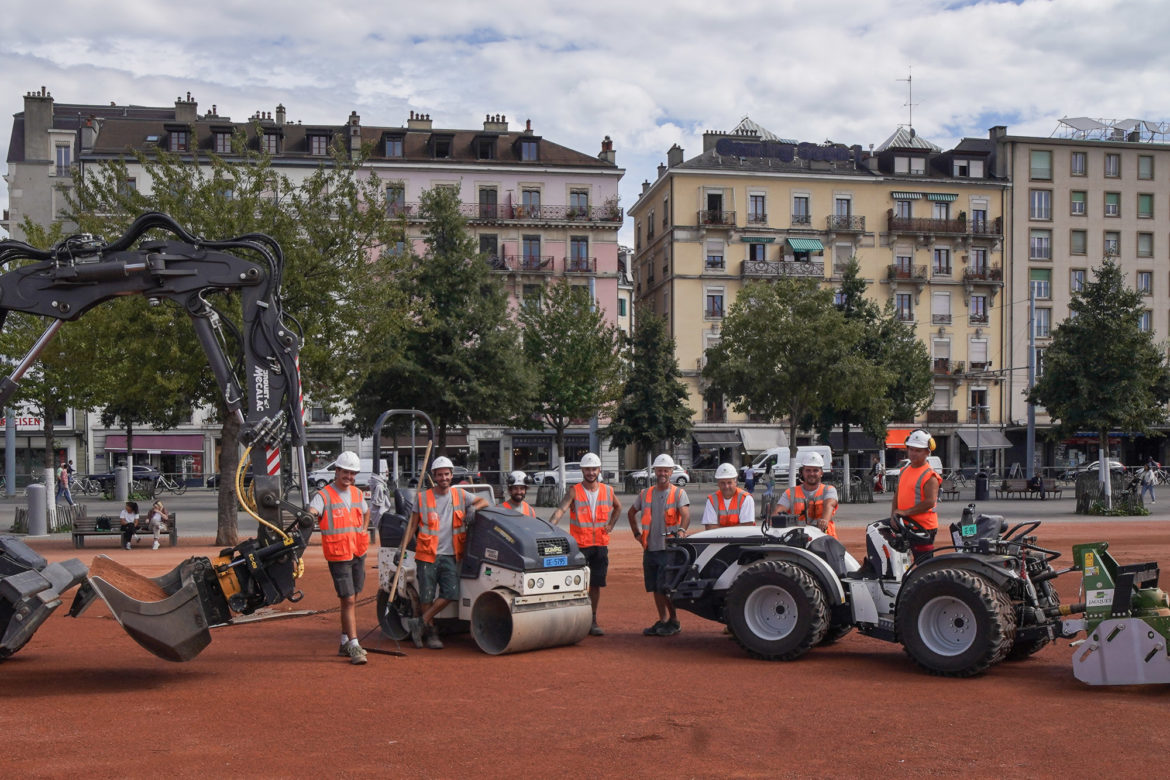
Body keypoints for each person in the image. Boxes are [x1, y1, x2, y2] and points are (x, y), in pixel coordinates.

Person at [410, 455, 489, 650]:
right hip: (427, 555)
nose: (444, 478)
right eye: (440, 475)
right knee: (426, 597)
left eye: (447, 474)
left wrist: (474, 508)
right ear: (433, 477)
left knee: (451, 593)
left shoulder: (461, 495)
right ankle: (431, 633)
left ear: (451, 475)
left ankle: (419, 622)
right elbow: (411, 526)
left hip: (451, 555)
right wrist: (402, 548)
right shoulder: (422, 498)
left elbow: (484, 501)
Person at [308, 450, 371, 665]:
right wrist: (311, 516)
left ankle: (344, 641)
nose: (350, 477)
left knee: (353, 598)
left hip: (357, 551)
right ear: (337, 471)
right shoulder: (323, 495)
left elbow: (366, 512)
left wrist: (363, 529)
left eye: (353, 474)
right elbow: (312, 512)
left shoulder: (357, 494)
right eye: (346, 472)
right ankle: (354, 644)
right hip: (338, 555)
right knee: (348, 599)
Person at [550, 452, 621, 636]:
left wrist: (611, 524)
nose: (591, 472)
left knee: (595, 584)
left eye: (594, 469)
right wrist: (549, 528)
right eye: (587, 469)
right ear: (582, 470)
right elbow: (561, 510)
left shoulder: (608, 490)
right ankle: (576, 620)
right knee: (577, 584)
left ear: (599, 470)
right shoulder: (575, 490)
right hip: (581, 546)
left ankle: (592, 619)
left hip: (600, 545)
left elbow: (618, 507)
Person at [627, 453, 690, 637]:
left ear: (671, 472)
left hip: (669, 549)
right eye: (659, 470)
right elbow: (631, 513)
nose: (662, 473)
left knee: (666, 587)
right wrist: (637, 534)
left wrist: (681, 531)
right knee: (655, 586)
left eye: (666, 470)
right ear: (654, 471)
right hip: (650, 548)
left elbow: (685, 515)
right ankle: (663, 620)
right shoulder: (645, 494)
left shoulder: (678, 493)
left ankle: (674, 620)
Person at [890, 429, 941, 562]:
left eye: (918, 450)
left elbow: (930, 502)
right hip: (904, 523)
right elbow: (898, 494)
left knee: (924, 565)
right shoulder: (904, 470)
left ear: (927, 452)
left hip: (923, 527)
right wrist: (893, 515)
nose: (913, 453)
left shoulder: (930, 475)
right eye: (911, 449)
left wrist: (905, 512)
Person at [777, 452, 839, 538]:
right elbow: (777, 513)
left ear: (821, 473)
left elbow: (829, 505)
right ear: (802, 472)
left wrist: (824, 520)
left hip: (825, 539)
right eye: (808, 470)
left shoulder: (829, 490)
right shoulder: (790, 492)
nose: (811, 474)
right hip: (799, 540)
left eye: (815, 470)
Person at [700, 463, 755, 529]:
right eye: (722, 483)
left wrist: (721, 531)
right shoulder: (712, 499)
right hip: (719, 538)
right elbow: (709, 527)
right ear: (718, 484)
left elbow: (747, 526)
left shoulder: (746, 498)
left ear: (735, 482)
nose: (726, 486)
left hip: (740, 539)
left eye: (729, 482)